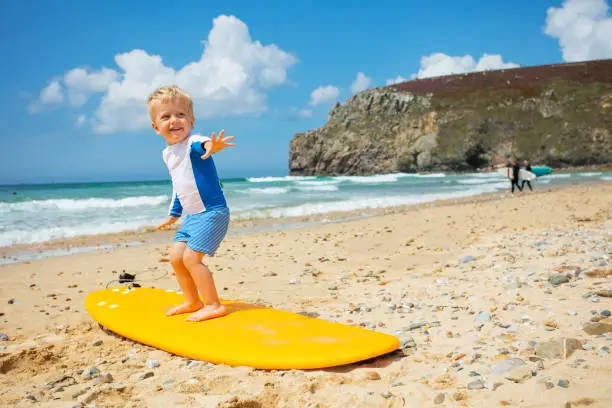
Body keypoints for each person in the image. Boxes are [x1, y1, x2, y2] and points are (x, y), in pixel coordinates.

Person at [147, 85, 235, 322]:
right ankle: (192, 301)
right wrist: (174, 213)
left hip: (212, 213)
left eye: (180, 114)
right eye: (166, 116)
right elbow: (179, 184)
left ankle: (213, 304)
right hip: (193, 217)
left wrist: (212, 147)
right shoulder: (168, 154)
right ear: (156, 127)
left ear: (191, 120)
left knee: (190, 259)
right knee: (176, 257)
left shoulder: (194, 142)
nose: (174, 120)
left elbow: (203, 146)